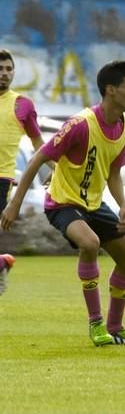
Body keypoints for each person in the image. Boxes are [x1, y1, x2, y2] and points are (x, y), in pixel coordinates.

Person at [1, 60, 125, 346]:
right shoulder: (80, 124)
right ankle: (96, 325)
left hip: (94, 204)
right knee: (90, 243)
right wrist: (14, 204)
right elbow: (38, 157)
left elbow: (114, 172)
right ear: (111, 90)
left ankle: (115, 327)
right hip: (62, 202)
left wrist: (124, 206)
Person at [0, 49, 50, 295]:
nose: (4, 74)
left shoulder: (22, 105)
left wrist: (58, 169)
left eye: (9, 69)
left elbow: (39, 144)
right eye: (0, 69)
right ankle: (2, 263)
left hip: (2, 177)